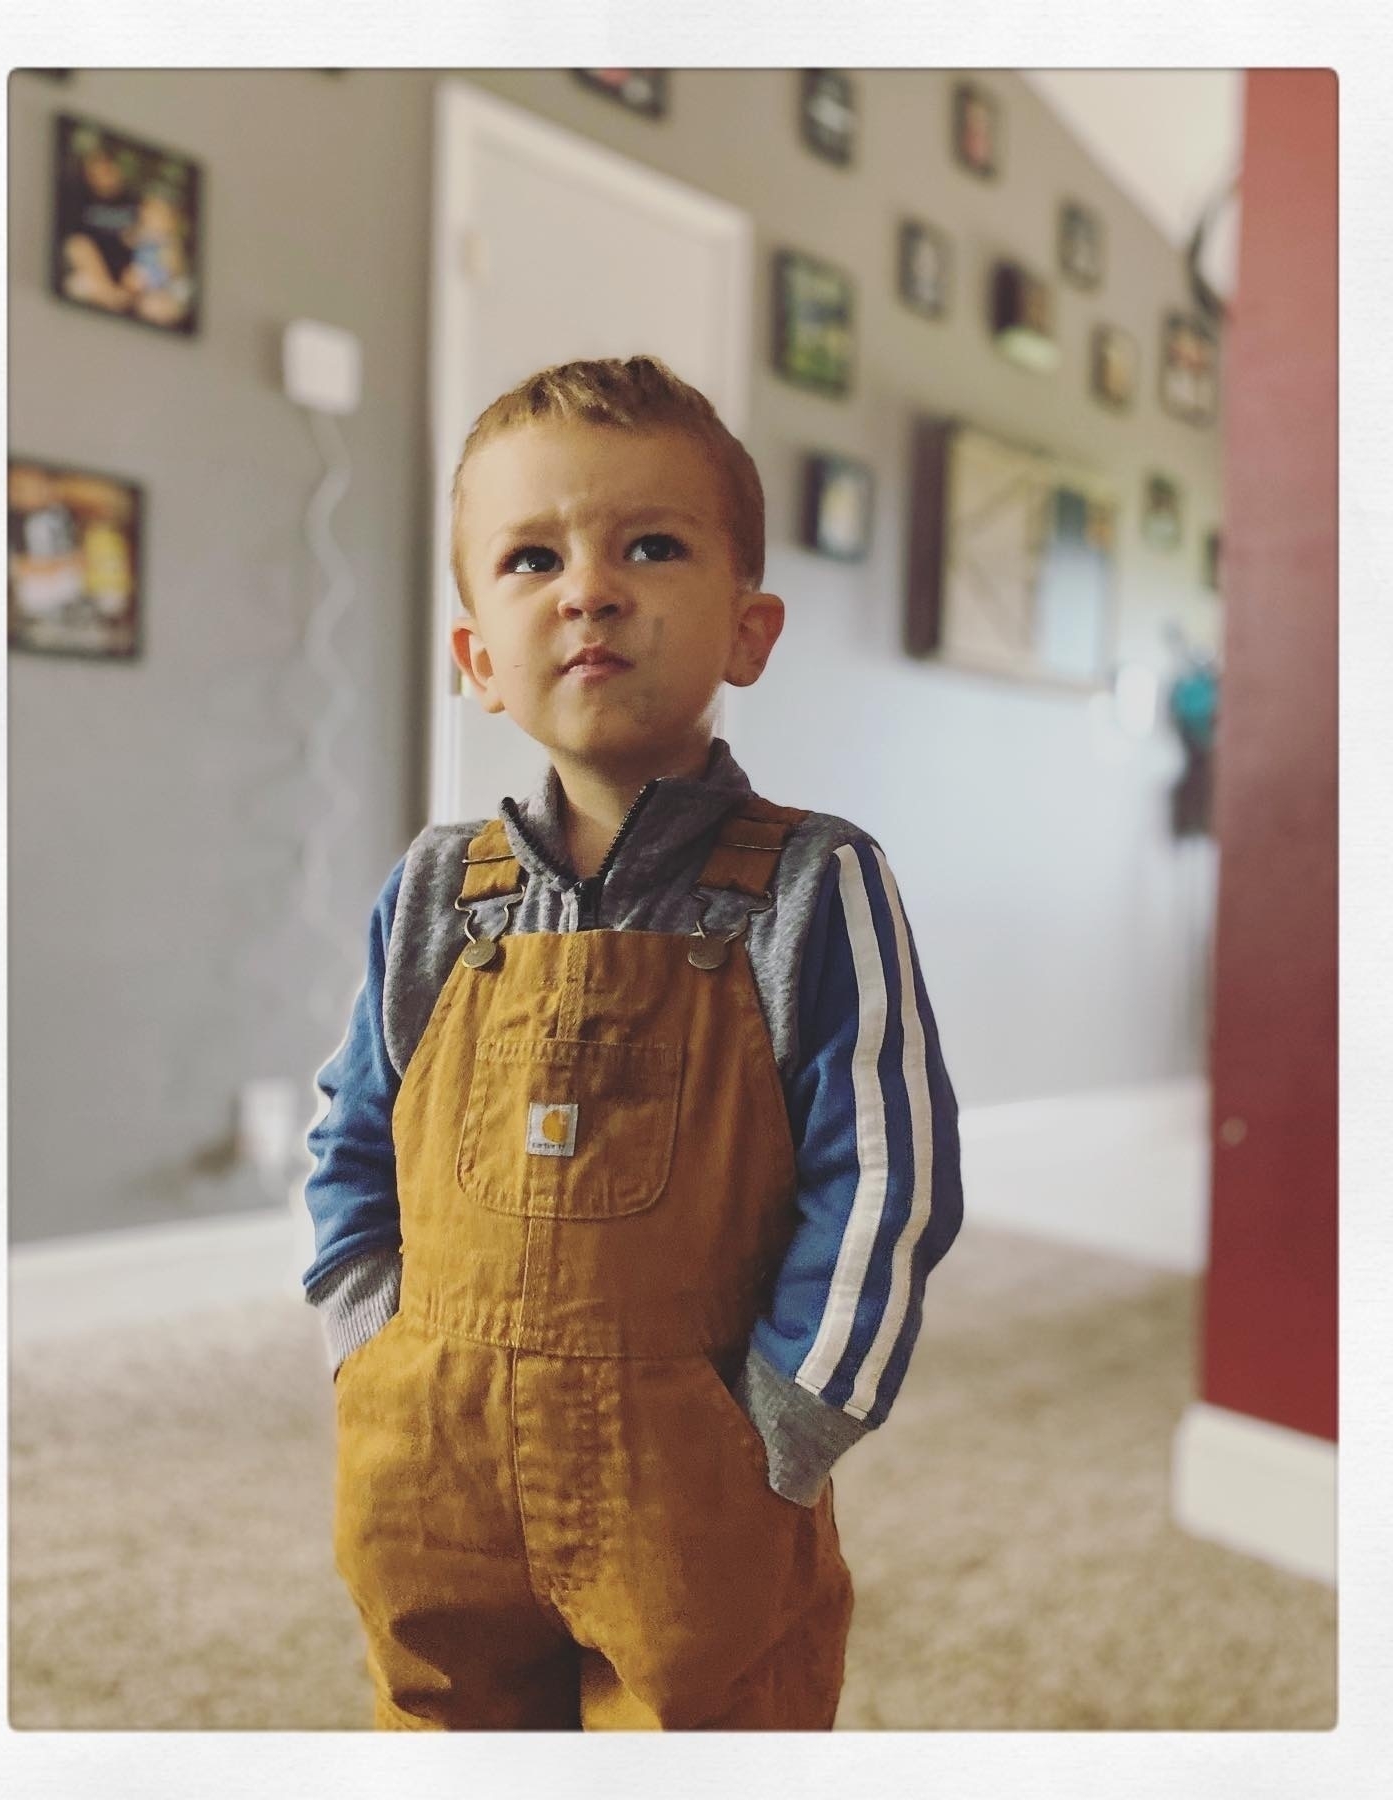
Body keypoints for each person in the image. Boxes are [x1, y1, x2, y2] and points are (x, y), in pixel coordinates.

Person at [302, 354, 963, 1731]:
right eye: (533, 558)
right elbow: (353, 1129)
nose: (589, 590)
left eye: (650, 547)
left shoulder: (813, 886)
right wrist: (369, 1340)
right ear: (479, 661)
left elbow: (885, 1181)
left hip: (693, 1481)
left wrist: (788, 1423)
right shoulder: (435, 891)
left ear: (749, 630)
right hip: (427, 1460)